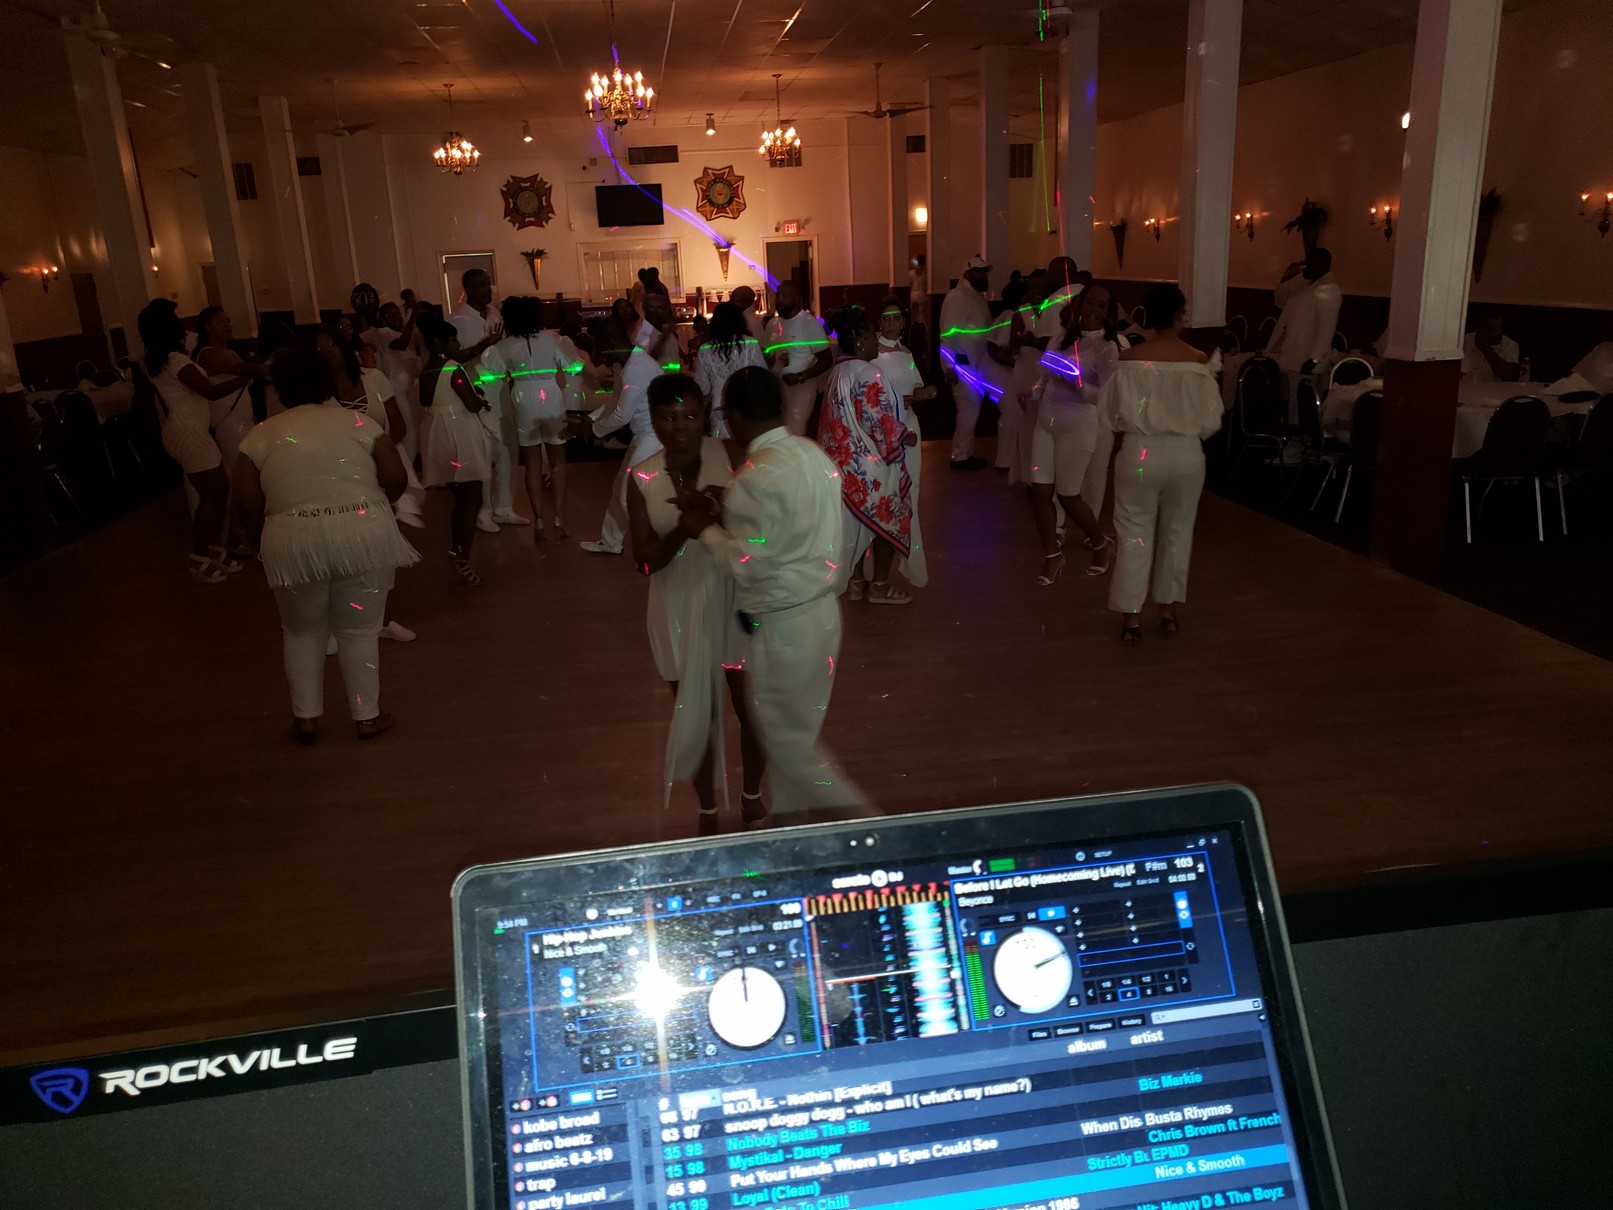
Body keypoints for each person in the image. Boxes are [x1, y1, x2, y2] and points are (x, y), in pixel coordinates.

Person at [676, 367, 871, 824]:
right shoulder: (812, 456)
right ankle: (788, 832)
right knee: (796, 739)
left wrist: (704, 530)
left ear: (733, 417)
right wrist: (727, 503)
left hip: (783, 627)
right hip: (823, 615)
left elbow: (749, 563)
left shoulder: (754, 478)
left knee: (790, 747)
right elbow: (789, 524)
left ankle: (871, 830)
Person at [233, 346, 419, 743]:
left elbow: (245, 500)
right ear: (328, 382)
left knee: (301, 631)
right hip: (363, 533)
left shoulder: (260, 435)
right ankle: (366, 716)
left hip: (292, 537)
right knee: (360, 630)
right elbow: (395, 477)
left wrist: (255, 544)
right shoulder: (360, 424)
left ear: (280, 389)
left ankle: (305, 717)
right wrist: (377, 504)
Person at [626, 374, 767, 835]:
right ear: (653, 421)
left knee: (752, 705)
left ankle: (751, 794)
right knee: (696, 714)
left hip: (734, 597)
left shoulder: (728, 454)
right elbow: (645, 563)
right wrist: (684, 530)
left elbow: (761, 527)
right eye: (668, 418)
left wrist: (719, 508)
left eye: (689, 415)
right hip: (676, 604)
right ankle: (707, 807)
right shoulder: (642, 478)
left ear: (704, 414)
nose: (680, 426)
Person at [1100, 283, 1225, 641]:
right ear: (1178, 315)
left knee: (1133, 531)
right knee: (1178, 531)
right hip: (1186, 455)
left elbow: (1110, 414)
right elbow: (1212, 419)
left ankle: (1131, 616)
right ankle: (1167, 610)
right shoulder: (1197, 362)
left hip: (1139, 452)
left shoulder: (1129, 361)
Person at [138, 299, 256, 583]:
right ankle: (199, 558)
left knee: (218, 489)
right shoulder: (175, 361)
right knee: (212, 494)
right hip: (188, 431)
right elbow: (209, 391)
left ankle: (212, 549)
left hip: (188, 429)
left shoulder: (161, 360)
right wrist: (245, 376)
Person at [1027, 285, 1123, 585]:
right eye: (1090, 302)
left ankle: (1100, 544)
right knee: (1039, 492)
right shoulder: (1061, 336)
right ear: (1080, 304)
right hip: (1046, 421)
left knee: (1068, 496)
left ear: (1108, 312)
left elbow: (1107, 396)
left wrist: (1079, 385)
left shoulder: (1106, 347)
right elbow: (1044, 375)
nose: (1093, 309)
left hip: (1078, 426)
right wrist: (1032, 392)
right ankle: (1052, 557)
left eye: (1101, 305)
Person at [577, 290, 677, 554]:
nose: (597, 351)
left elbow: (622, 415)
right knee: (620, 487)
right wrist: (589, 419)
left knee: (627, 494)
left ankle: (668, 540)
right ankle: (610, 541)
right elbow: (616, 401)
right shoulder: (630, 364)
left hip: (653, 437)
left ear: (610, 342)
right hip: (645, 435)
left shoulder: (634, 368)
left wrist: (592, 429)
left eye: (598, 344)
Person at [314, 326, 426, 534]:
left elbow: (398, 425)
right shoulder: (318, 395)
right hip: (345, 474)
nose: (327, 351)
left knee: (388, 528)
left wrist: (378, 456)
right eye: (319, 349)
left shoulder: (374, 378)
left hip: (382, 466)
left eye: (331, 344)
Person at [482, 296, 573, 541]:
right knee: (558, 460)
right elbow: (573, 365)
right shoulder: (553, 339)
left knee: (532, 461)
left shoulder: (505, 346)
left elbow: (492, 372)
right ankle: (560, 518)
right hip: (551, 396)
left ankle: (539, 520)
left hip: (523, 398)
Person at [418, 316, 492, 585]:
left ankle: (456, 551)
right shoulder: (453, 368)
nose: (458, 344)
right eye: (453, 340)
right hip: (458, 437)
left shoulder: (427, 371)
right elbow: (471, 404)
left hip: (438, 437)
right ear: (440, 342)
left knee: (462, 500)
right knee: (471, 501)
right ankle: (462, 559)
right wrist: (479, 397)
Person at [449, 268, 524, 531]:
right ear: (468, 289)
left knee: (507, 450)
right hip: (476, 391)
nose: (487, 289)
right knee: (482, 454)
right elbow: (455, 359)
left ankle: (504, 508)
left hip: (501, 388)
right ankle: (483, 511)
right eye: (481, 285)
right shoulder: (457, 320)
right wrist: (484, 345)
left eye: (488, 284)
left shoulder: (495, 314)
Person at [871, 298, 934, 590]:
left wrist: (924, 394)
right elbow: (876, 399)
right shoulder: (873, 355)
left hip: (909, 424)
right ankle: (876, 565)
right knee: (886, 491)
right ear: (879, 322)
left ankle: (911, 557)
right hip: (885, 430)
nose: (891, 323)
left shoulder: (905, 352)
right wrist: (907, 400)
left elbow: (913, 388)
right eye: (886, 318)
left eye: (896, 318)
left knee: (912, 490)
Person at [938, 255, 997, 469]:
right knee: (968, 409)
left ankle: (964, 453)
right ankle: (960, 456)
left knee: (971, 408)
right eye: (979, 272)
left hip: (976, 363)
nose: (983, 276)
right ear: (967, 273)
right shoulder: (958, 297)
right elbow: (948, 333)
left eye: (985, 272)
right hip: (962, 364)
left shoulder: (976, 296)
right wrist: (948, 365)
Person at [192, 306, 257, 474]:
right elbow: (237, 370)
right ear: (208, 327)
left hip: (245, 419)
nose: (228, 325)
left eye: (228, 320)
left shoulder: (230, 352)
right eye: (220, 322)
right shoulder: (207, 354)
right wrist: (258, 368)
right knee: (241, 470)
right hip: (228, 423)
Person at [764, 280, 832, 435]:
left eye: (784, 296)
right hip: (777, 389)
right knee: (778, 433)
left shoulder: (810, 324)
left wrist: (801, 376)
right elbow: (765, 353)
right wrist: (774, 360)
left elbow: (826, 360)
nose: (779, 300)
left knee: (794, 432)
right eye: (778, 296)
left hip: (801, 389)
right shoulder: (772, 324)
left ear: (797, 299)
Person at [694, 301, 767, 440]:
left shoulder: (705, 350)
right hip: (747, 407)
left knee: (723, 449)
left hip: (719, 410)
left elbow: (702, 388)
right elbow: (760, 376)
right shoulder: (750, 344)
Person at [1266, 248, 1342, 374]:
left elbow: (1326, 329)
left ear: (1321, 265)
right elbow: (1280, 301)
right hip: (1290, 354)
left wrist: (1315, 359)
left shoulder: (1328, 289)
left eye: (1308, 263)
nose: (1304, 267)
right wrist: (1287, 277)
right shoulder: (1303, 285)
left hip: (1307, 360)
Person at [986, 279, 1028, 473]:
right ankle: (1005, 461)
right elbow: (997, 348)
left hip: (999, 371)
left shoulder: (1008, 315)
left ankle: (1010, 459)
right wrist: (1018, 363)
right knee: (1011, 411)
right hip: (999, 371)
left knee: (1012, 412)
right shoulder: (1011, 317)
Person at [1461, 314, 1521, 383]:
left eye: (1500, 328)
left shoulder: (1510, 345)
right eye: (1492, 329)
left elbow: (1507, 375)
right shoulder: (1465, 340)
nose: (1498, 332)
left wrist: (1485, 348)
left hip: (1494, 389)